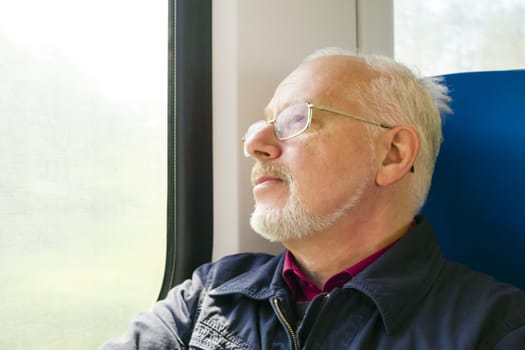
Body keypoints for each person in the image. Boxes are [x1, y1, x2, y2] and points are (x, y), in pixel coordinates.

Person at [99, 48, 525, 349]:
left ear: (392, 155)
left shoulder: (496, 329)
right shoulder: (209, 293)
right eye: (261, 125)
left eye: (295, 119)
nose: (255, 144)